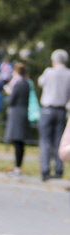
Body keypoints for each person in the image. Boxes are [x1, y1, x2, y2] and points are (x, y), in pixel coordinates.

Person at [37, 49, 70, 181]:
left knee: (45, 140)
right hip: (61, 110)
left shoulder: (49, 72)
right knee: (59, 141)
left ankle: (45, 169)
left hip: (47, 109)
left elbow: (40, 83)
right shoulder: (68, 74)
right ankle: (58, 169)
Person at [4, 62, 31, 176]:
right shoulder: (27, 83)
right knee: (20, 141)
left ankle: (17, 167)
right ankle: (18, 166)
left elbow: (12, 100)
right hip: (24, 112)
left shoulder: (18, 83)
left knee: (17, 141)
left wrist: (8, 92)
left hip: (16, 113)